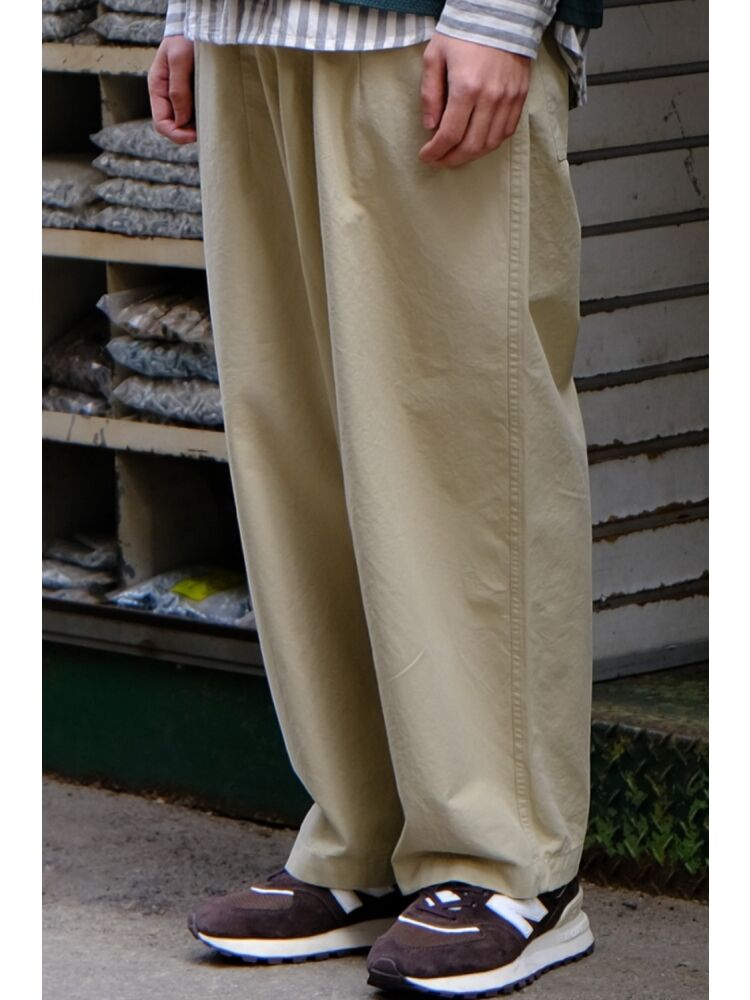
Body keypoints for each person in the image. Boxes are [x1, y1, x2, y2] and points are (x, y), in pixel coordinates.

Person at [148, 0, 604, 994]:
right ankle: (364, 840)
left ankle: (511, 864)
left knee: (465, 454)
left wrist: (502, 13)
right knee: (297, 450)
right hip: (248, 31)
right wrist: (186, 13)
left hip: (426, 31)